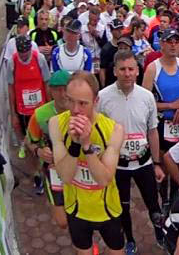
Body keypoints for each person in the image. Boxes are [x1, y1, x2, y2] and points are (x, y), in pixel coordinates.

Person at [49, 71, 125, 255]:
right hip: (77, 208)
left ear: (96, 101)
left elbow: (104, 179)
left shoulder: (114, 129)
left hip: (107, 208)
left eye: (83, 103)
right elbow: (66, 176)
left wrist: (86, 145)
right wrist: (75, 145)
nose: (75, 110)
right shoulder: (56, 124)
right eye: (70, 100)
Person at [98, 50, 166, 253]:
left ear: (137, 71)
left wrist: (156, 163)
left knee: (153, 203)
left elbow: (152, 131)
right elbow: (99, 134)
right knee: (122, 207)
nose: (127, 73)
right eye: (122, 69)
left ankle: (159, 233)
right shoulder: (102, 97)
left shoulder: (146, 97)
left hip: (144, 163)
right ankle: (129, 239)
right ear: (115, 71)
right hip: (117, 166)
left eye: (131, 69)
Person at [142, 28, 179, 210]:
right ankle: (163, 199)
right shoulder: (153, 69)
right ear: (162, 44)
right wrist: (171, 105)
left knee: (178, 163)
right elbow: (145, 102)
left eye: (177, 41)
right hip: (161, 125)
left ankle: (175, 198)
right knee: (164, 164)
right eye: (169, 41)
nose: (174, 45)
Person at [25, 70, 71, 228]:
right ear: (50, 91)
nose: (63, 94)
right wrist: (39, 152)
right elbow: (29, 142)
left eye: (66, 88)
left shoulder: (81, 109)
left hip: (78, 171)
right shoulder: (40, 115)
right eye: (58, 89)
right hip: (53, 173)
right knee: (63, 222)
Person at [8, 35, 51, 159]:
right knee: (28, 137)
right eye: (21, 53)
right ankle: (29, 155)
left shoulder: (39, 59)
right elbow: (10, 87)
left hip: (39, 108)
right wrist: (13, 114)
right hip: (23, 109)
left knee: (42, 136)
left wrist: (49, 105)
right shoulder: (12, 62)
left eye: (26, 53)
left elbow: (46, 82)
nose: (23, 56)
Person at [99, 19, 125, 87]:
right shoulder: (106, 49)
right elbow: (102, 69)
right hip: (111, 83)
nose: (120, 31)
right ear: (111, 31)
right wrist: (103, 86)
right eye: (117, 29)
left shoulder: (127, 46)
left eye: (121, 28)